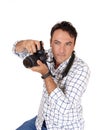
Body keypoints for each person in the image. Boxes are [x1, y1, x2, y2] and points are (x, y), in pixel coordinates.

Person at [13, 21, 90, 130]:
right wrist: (24, 43)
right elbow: (16, 50)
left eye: (68, 44)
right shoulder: (47, 55)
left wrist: (46, 74)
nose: (62, 50)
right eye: (57, 43)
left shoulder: (81, 69)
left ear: (74, 44)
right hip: (41, 121)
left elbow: (64, 108)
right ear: (50, 42)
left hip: (64, 127)